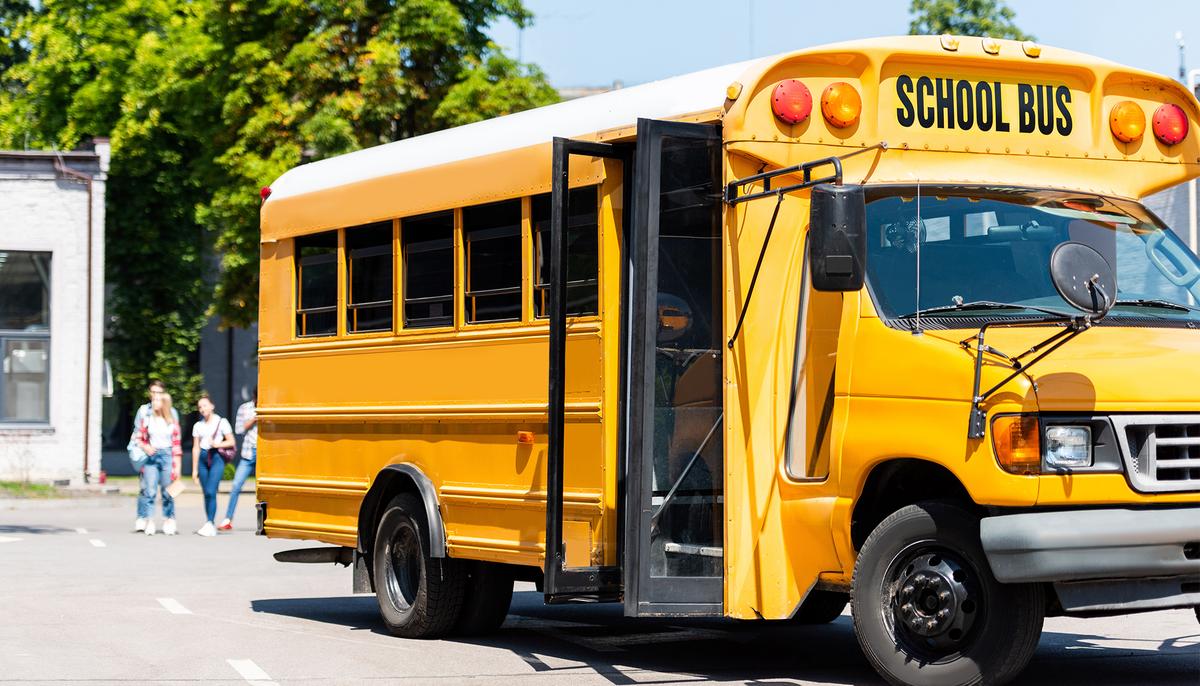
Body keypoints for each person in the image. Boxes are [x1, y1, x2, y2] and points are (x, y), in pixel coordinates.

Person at [128, 379, 179, 532]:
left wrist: (177, 465)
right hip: (149, 454)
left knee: (167, 489)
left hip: (166, 454)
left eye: (159, 392)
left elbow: (176, 440)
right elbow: (138, 434)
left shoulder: (172, 412)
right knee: (146, 488)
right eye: (153, 392)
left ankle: (169, 519)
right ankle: (143, 517)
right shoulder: (144, 411)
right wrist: (145, 446)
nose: (156, 395)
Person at [191, 394, 235, 537]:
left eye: (204, 405)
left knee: (211, 490)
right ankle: (209, 522)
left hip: (216, 457)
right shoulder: (198, 425)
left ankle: (210, 522)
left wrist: (218, 444)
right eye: (200, 407)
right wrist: (194, 469)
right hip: (203, 457)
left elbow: (231, 442)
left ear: (212, 406)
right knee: (206, 493)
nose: (202, 409)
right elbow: (196, 448)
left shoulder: (221, 422)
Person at [221, 388, 258, 531]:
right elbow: (238, 429)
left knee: (264, 490)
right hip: (249, 452)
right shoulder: (245, 408)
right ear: (254, 396)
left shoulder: (269, 408)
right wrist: (254, 418)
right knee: (236, 485)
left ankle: (268, 521)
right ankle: (228, 519)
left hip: (265, 454)